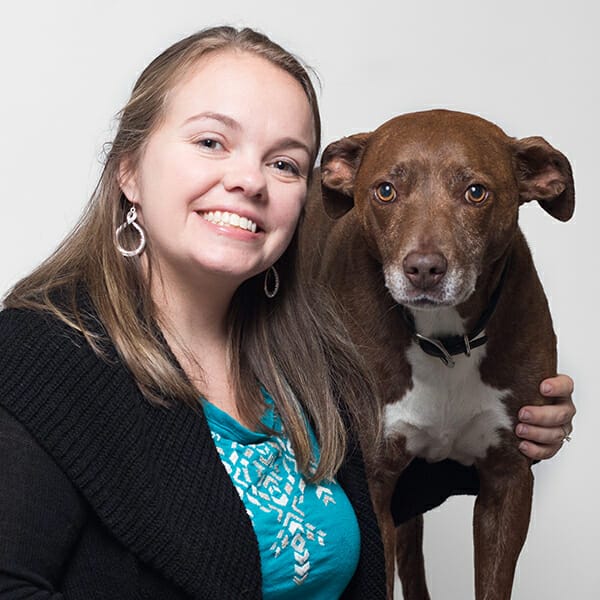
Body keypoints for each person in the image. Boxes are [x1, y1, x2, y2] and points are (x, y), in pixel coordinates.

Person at [0, 26, 575, 599]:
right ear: (128, 169)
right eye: (210, 143)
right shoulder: (36, 359)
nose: (248, 179)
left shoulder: (301, 350)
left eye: (283, 163)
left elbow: (376, 489)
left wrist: (504, 439)